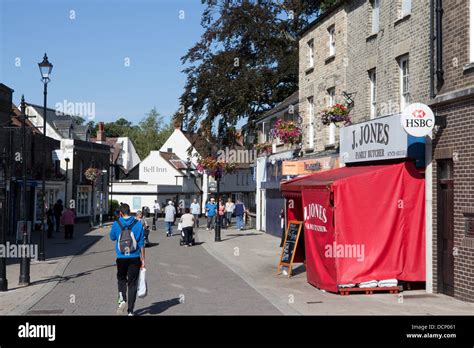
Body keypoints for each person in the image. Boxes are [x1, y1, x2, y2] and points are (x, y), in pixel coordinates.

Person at [110, 203, 145, 316]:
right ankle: (130, 311)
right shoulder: (138, 224)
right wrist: (143, 260)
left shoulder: (117, 223)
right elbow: (141, 243)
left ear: (120, 213)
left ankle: (122, 299)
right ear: (130, 212)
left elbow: (112, 237)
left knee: (121, 279)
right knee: (132, 284)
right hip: (135, 257)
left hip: (121, 257)